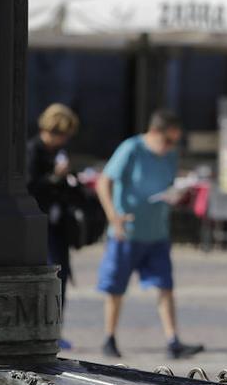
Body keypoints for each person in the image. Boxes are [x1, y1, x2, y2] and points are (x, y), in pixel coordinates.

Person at [94, 109, 204, 360]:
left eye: (174, 141)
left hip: (157, 232)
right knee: (115, 287)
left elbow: (168, 184)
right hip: (127, 231)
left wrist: (175, 195)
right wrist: (112, 215)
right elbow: (104, 181)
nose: (170, 146)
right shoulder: (130, 149)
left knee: (165, 286)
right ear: (153, 132)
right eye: (167, 140)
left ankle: (173, 341)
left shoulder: (170, 155)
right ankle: (109, 338)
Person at [26, 103, 80, 351]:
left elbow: (67, 188)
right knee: (46, 276)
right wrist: (54, 177)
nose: (63, 140)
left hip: (58, 225)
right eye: (62, 134)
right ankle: (40, 330)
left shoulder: (60, 153)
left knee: (61, 276)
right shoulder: (32, 151)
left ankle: (56, 329)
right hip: (39, 225)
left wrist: (69, 179)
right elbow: (30, 187)